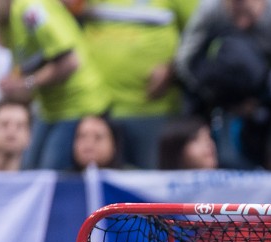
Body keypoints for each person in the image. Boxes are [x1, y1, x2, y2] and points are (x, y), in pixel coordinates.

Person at [0, 0, 111, 170]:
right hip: (49, 108)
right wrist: (7, 89)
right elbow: (32, 76)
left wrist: (25, 83)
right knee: (28, 169)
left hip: (78, 104)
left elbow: (71, 62)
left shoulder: (30, 10)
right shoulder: (5, 27)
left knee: (49, 171)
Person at [175, 0, 271, 171]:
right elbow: (184, 63)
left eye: (244, 7)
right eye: (233, 7)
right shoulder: (211, 9)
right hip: (225, 103)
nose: (241, 23)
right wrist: (220, 100)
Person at [79, 0, 198, 169]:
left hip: (151, 111)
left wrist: (173, 67)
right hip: (98, 110)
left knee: (151, 180)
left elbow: (203, 32)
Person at [0, 99, 31, 171]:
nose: (12, 131)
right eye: (4, 124)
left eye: (19, 126)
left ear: (29, 136)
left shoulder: (42, 177)